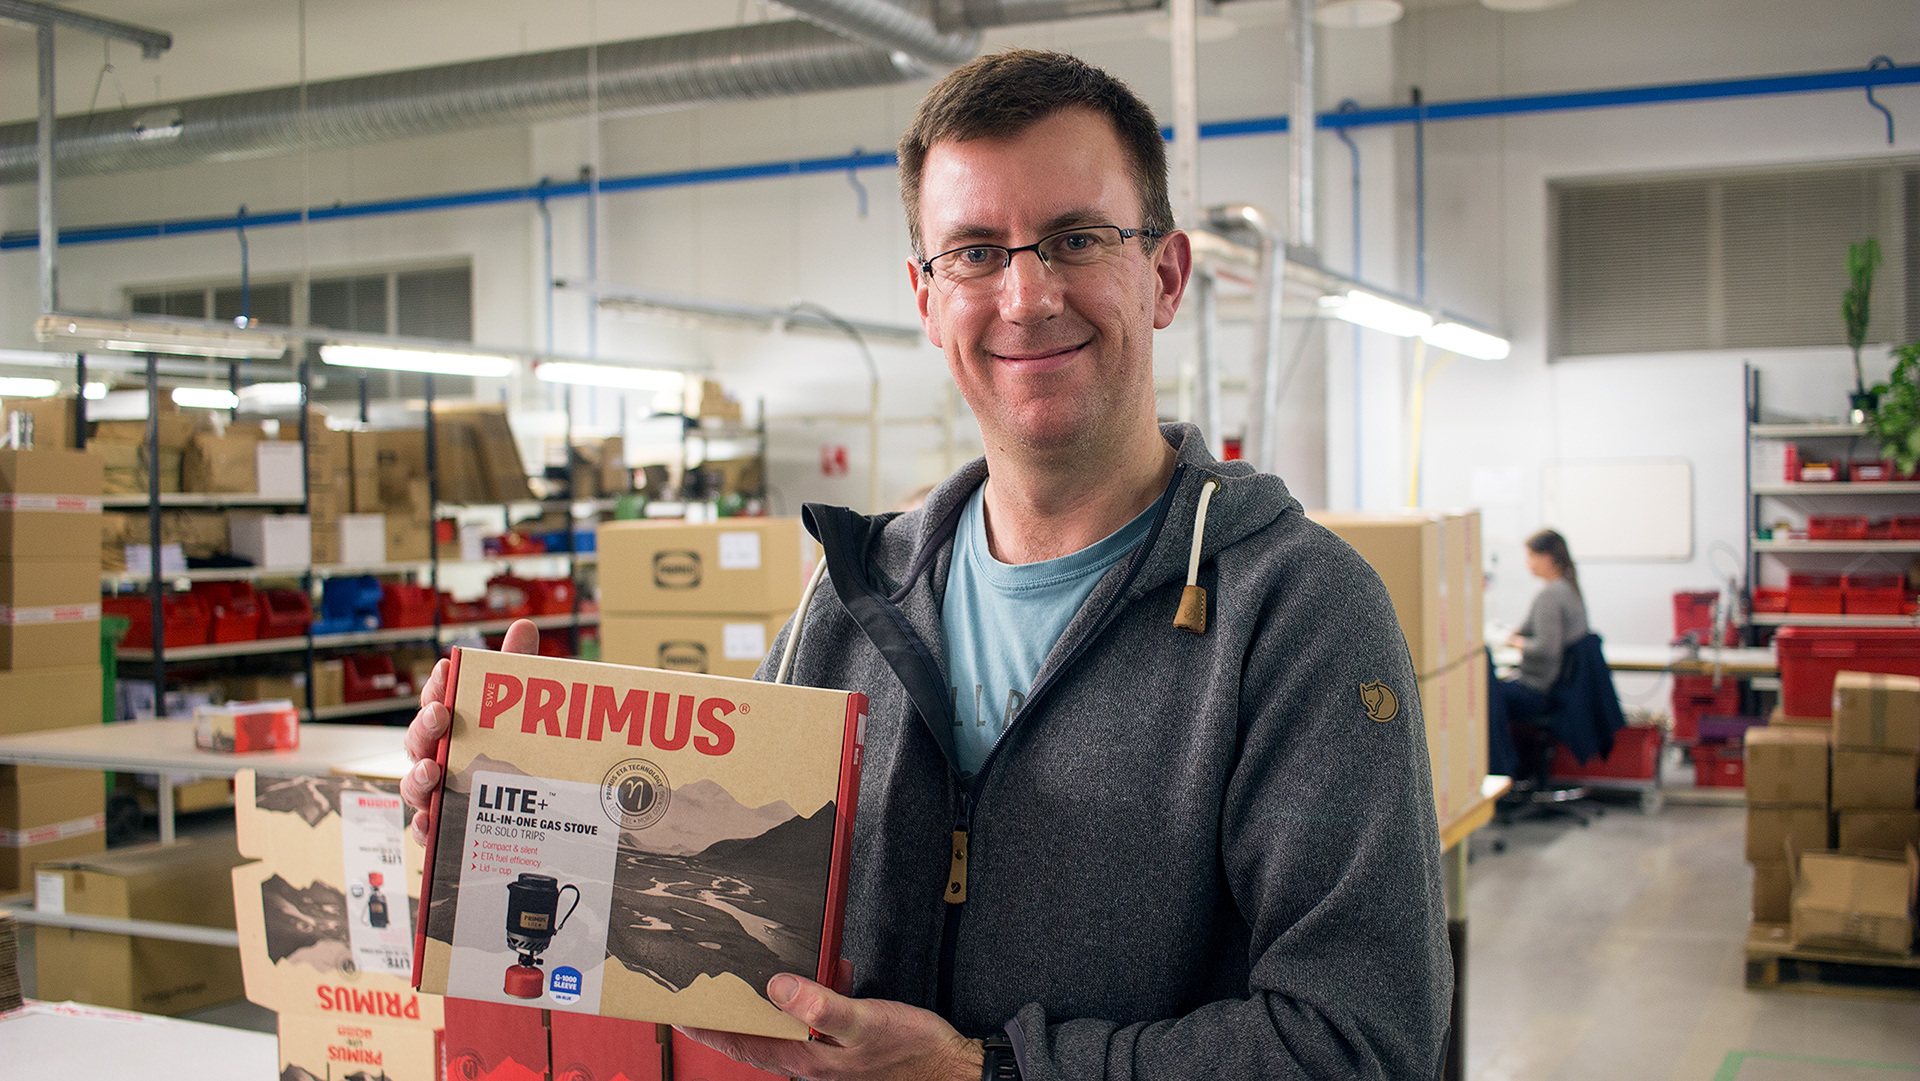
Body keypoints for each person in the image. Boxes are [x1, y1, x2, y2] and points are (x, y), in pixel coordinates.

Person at [403, 49, 1450, 1081]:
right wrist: (501, 821)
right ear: (926, 297)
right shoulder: (852, 597)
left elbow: (1359, 1042)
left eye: (1075, 238)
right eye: (977, 252)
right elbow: (741, 894)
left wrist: (977, 1072)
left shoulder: (1300, 614)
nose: (1027, 294)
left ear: (1164, 274)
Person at [1496, 528, 1590, 721]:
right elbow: (1530, 627)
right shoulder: (1568, 588)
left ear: (1547, 558)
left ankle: (1502, 752)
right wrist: (1516, 633)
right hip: (1555, 688)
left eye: (1531, 556)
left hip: (1538, 691)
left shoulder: (1550, 596)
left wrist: (1514, 642)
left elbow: (1547, 647)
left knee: (1487, 695)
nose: (1527, 563)